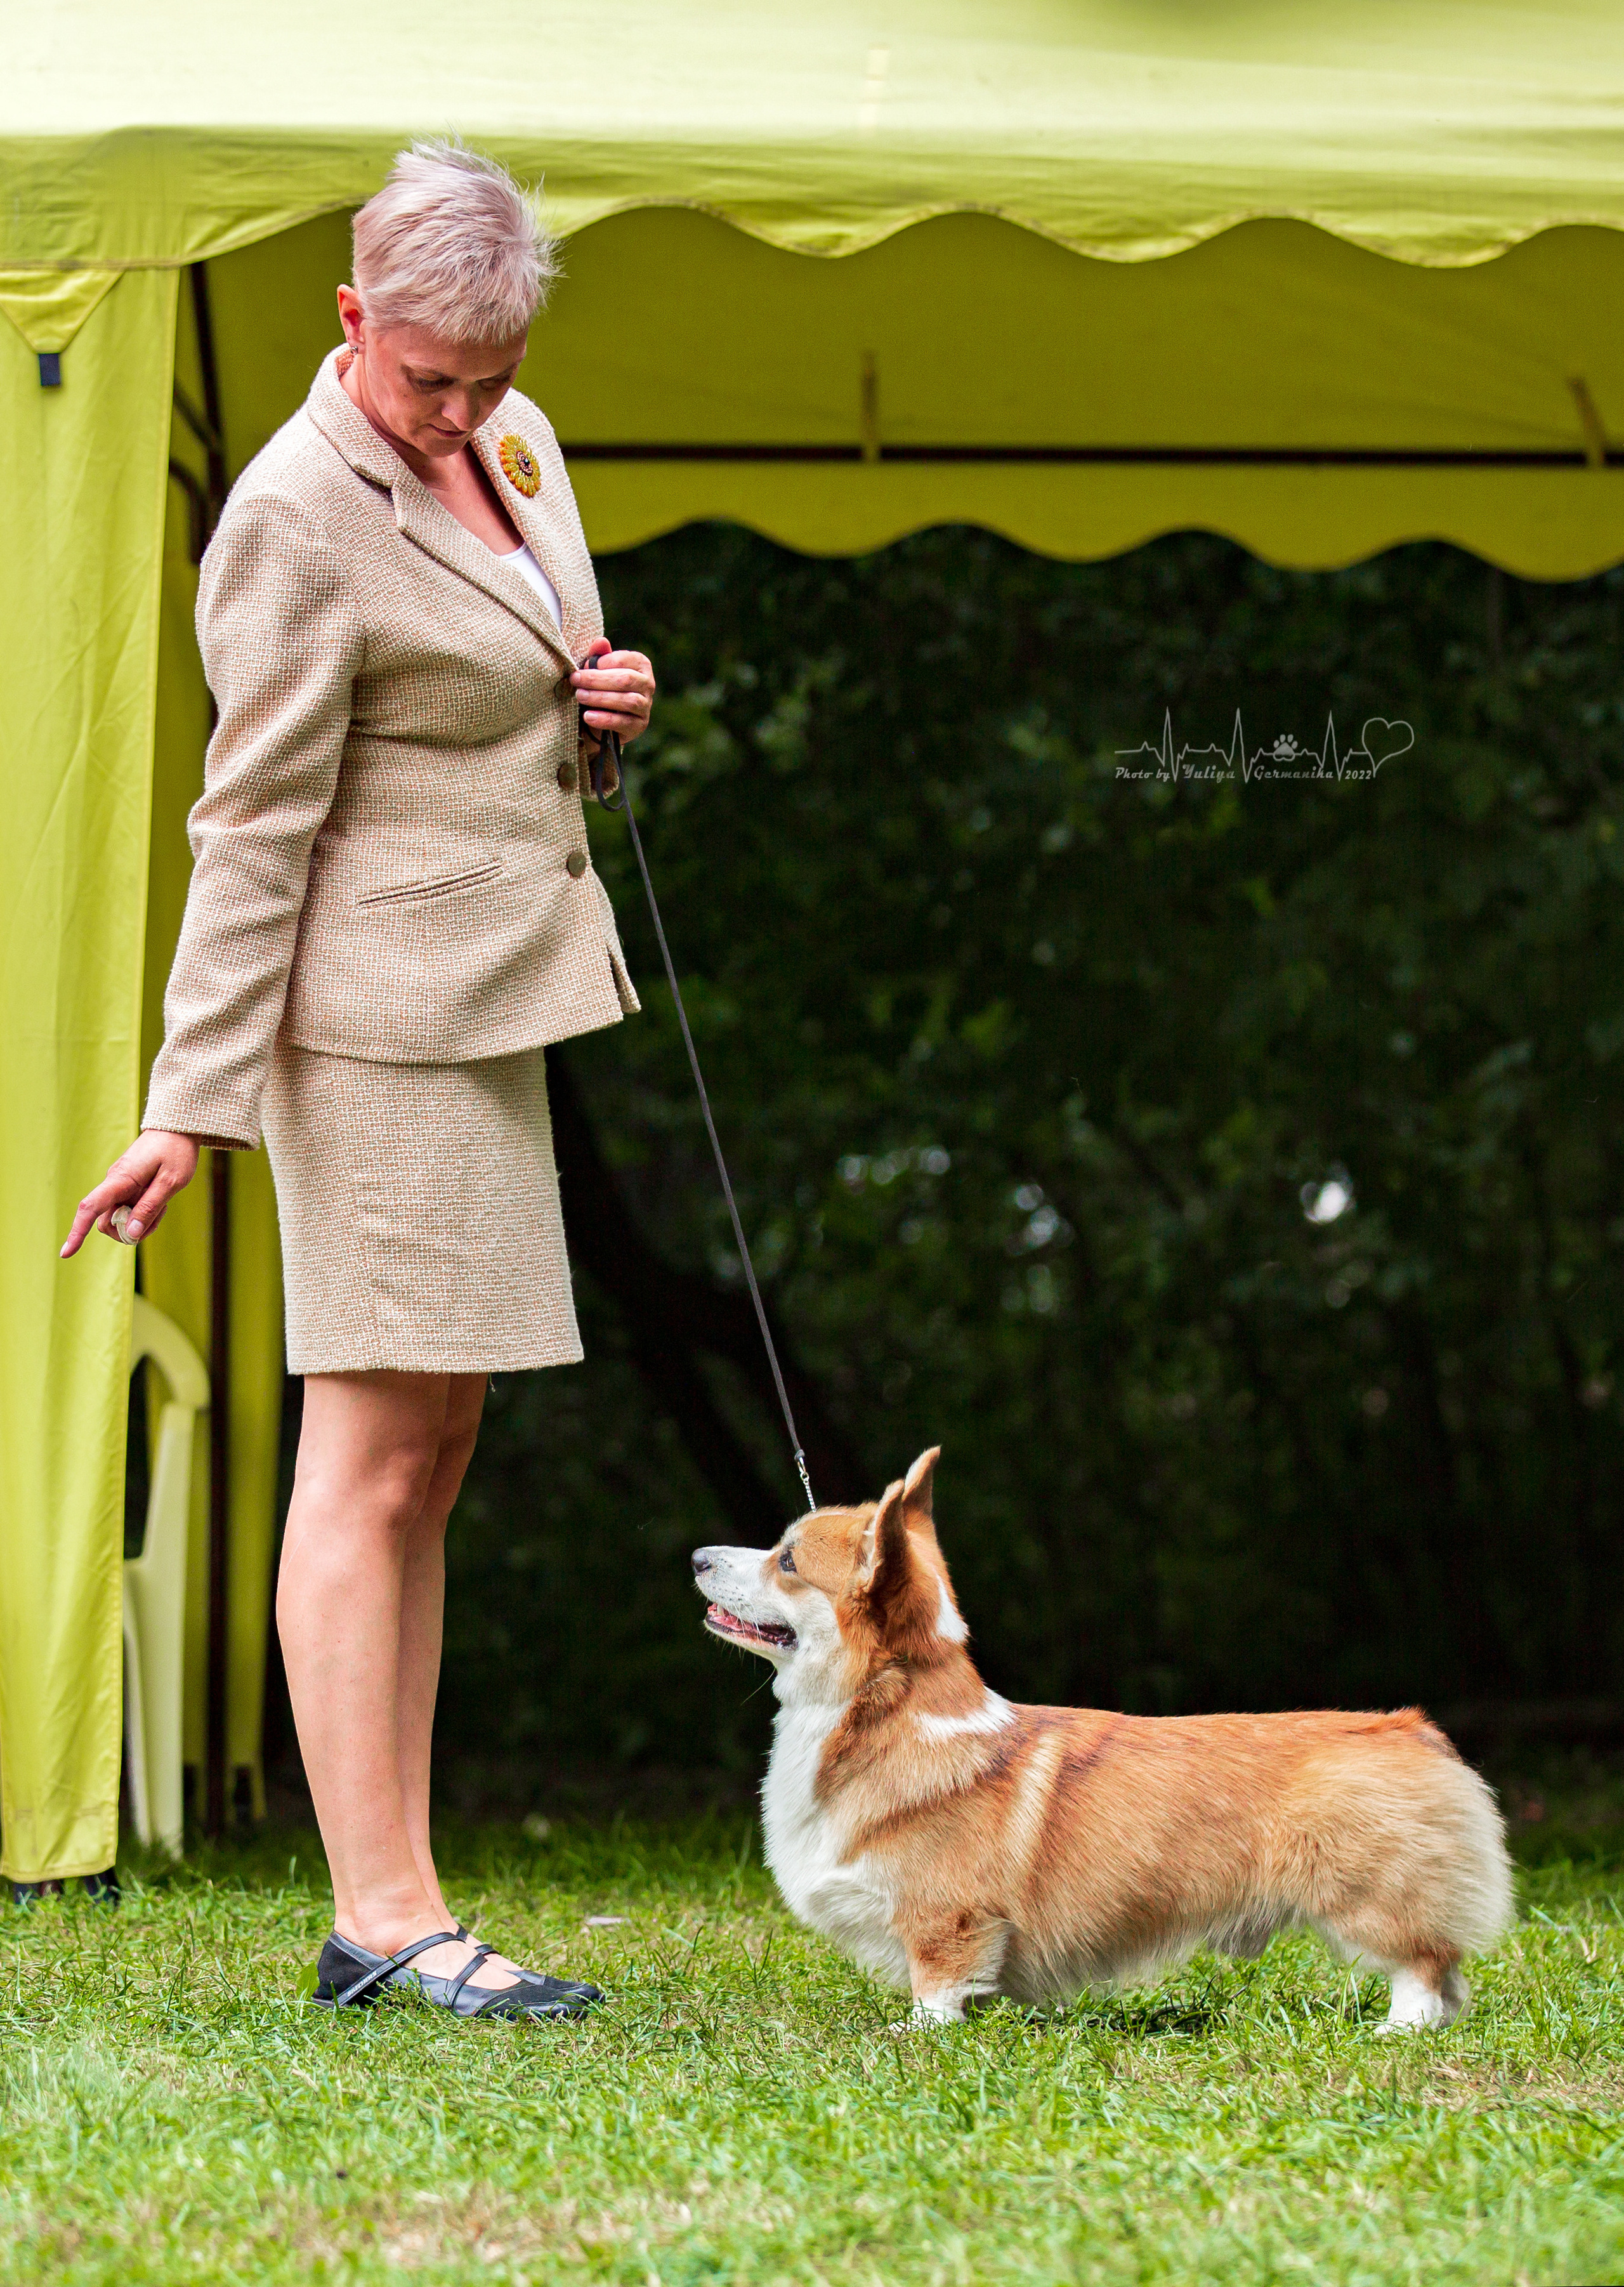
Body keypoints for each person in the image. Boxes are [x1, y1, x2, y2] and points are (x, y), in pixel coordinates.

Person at [62, 141, 655, 2021]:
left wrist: (603, 707)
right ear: (351, 321)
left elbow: (515, 689)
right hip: (369, 1028)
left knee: (439, 1452)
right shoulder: (293, 516)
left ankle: (398, 1904)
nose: (464, 411)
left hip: (494, 1004)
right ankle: (386, 1921)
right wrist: (192, 1102)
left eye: (490, 374)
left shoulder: (519, 436)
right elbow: (252, 826)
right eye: (429, 378)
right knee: (372, 1456)